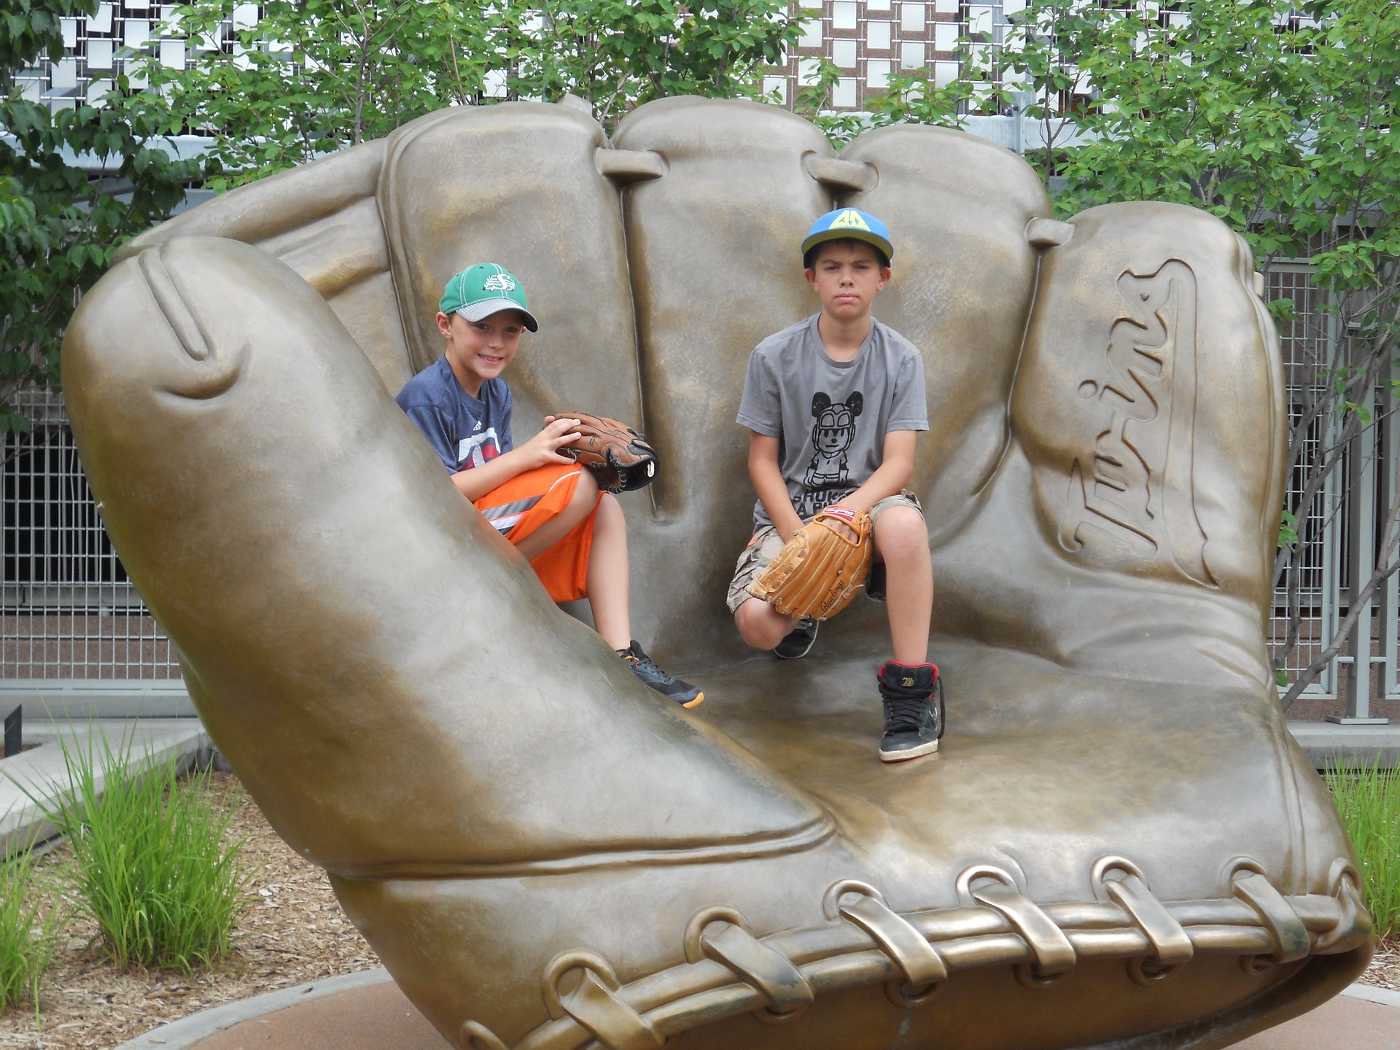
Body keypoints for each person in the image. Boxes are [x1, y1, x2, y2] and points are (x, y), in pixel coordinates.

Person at [396, 262, 703, 708]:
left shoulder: (495, 393)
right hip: (443, 550)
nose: (497, 342)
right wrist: (529, 457)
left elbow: (496, 484)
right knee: (579, 484)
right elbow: (432, 497)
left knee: (602, 504)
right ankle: (494, 594)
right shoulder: (428, 396)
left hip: (483, 530)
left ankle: (622, 655)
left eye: (510, 330)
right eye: (481, 326)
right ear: (445, 325)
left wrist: (551, 457)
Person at [727, 209, 940, 760]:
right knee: (756, 626)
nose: (847, 277)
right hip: (793, 514)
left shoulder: (901, 359)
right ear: (811, 278)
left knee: (905, 525)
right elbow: (761, 461)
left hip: (869, 510)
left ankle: (912, 689)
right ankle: (803, 610)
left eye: (861, 266)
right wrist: (802, 539)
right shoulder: (774, 355)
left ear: (882, 278)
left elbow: (898, 464)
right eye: (832, 266)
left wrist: (843, 520)